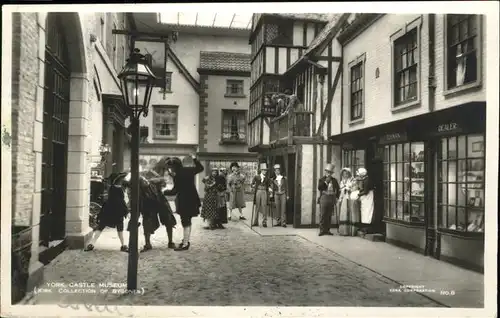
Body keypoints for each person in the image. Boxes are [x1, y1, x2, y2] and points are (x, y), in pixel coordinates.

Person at [163, 154, 204, 251]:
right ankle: (186, 240)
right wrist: (194, 159)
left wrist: (164, 191)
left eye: (170, 168)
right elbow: (200, 168)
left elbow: (174, 191)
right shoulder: (187, 170)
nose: (170, 170)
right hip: (192, 199)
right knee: (187, 220)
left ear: (174, 166)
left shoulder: (177, 175)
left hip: (184, 200)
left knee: (185, 221)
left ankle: (185, 244)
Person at [84, 172, 129, 252]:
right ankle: (123, 245)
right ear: (118, 180)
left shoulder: (112, 188)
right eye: (121, 179)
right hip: (116, 211)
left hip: (108, 210)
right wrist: (125, 210)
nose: (123, 180)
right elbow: (121, 201)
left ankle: (91, 244)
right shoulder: (118, 189)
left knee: (101, 227)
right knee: (119, 229)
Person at [317, 163, 340, 236]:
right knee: (323, 214)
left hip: (331, 198)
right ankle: (322, 230)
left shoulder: (334, 180)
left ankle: (327, 230)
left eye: (330, 172)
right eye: (328, 172)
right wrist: (326, 182)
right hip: (324, 197)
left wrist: (337, 197)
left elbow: (338, 189)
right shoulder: (322, 179)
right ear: (325, 172)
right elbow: (320, 188)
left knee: (329, 215)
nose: (329, 173)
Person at [337, 168, 358, 236]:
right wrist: (343, 190)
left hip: (351, 198)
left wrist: (349, 189)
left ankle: (351, 231)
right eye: (343, 174)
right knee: (344, 212)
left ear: (349, 174)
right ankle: (344, 231)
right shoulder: (342, 181)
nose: (345, 175)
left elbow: (355, 188)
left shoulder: (353, 180)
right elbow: (341, 189)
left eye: (346, 173)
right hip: (344, 198)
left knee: (351, 213)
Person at [251, 162, 272, 227]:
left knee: (264, 206)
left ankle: (264, 222)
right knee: (257, 206)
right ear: (261, 170)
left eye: (265, 170)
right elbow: (252, 184)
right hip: (258, 191)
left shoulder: (267, 178)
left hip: (264, 192)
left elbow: (269, 186)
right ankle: (255, 222)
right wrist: (253, 186)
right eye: (263, 170)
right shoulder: (256, 176)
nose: (265, 171)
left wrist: (270, 189)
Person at [355, 167, 375, 234]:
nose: (359, 176)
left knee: (367, 211)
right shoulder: (365, 179)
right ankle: (365, 227)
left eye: (359, 174)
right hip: (366, 197)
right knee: (365, 211)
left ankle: (367, 228)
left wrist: (359, 194)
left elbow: (366, 191)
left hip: (368, 197)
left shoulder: (366, 180)